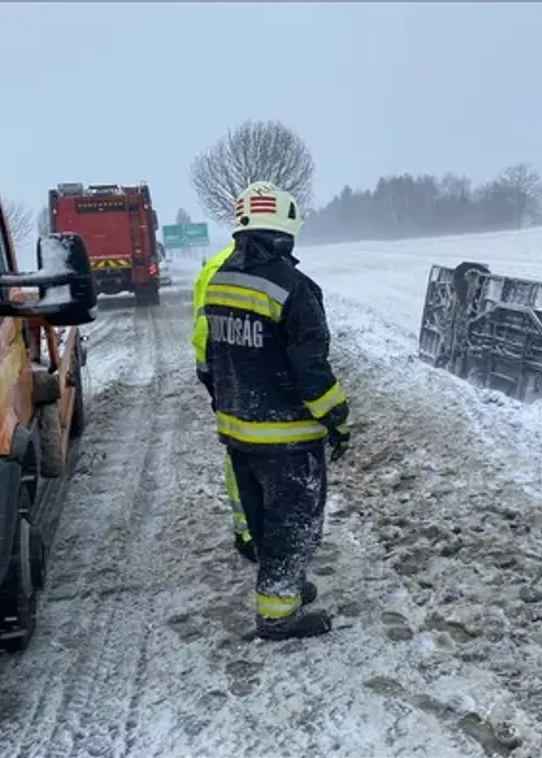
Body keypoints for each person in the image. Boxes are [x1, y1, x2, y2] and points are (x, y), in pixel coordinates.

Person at [198, 181, 350, 641]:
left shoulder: (220, 281)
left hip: (237, 431)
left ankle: (282, 585)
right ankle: (278, 614)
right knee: (293, 520)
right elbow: (311, 370)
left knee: (264, 518)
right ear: (287, 231)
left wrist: (227, 403)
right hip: (287, 437)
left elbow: (207, 360)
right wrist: (336, 417)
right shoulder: (297, 290)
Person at [191, 238, 256, 563]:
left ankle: (246, 529)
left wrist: (211, 380)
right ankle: (250, 529)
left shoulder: (214, 265)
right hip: (241, 375)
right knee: (248, 452)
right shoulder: (238, 268)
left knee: (239, 449)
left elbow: (203, 329)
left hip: (223, 376)